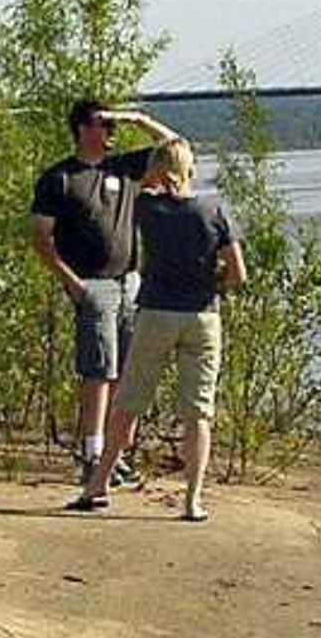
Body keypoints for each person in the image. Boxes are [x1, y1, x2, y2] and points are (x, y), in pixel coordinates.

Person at [92, 136, 246, 523]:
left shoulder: (148, 208)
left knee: (128, 402)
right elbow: (238, 273)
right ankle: (192, 500)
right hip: (203, 315)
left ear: (158, 170)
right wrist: (215, 285)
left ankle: (98, 483)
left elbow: (130, 171)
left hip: (157, 311)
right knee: (198, 411)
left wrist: (145, 142)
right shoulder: (213, 210)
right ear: (191, 168)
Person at [30, 100, 174, 508]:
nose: (111, 131)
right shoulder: (60, 178)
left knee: (126, 373)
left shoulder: (126, 168)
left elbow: (178, 149)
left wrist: (139, 120)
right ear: (80, 129)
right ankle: (93, 454)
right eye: (102, 123)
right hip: (93, 285)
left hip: (130, 283)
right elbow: (41, 238)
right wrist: (73, 284)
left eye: (113, 124)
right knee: (99, 370)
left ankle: (115, 456)